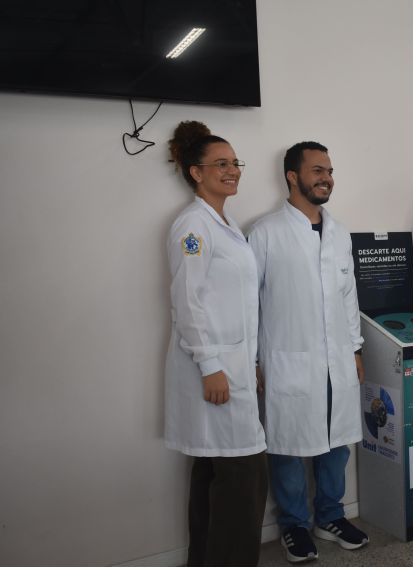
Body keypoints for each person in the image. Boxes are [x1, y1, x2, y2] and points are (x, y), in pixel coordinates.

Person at [248, 141, 368, 563]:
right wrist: (253, 359)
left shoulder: (340, 233)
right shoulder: (265, 232)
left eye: (329, 171)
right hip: (287, 359)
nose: (326, 178)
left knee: (337, 443)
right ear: (292, 176)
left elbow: (348, 296)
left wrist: (355, 348)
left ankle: (330, 516)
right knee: (287, 443)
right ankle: (294, 525)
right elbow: (248, 301)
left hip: (338, 359)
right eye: (317, 170)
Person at [164, 120, 267, 567]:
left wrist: (250, 361)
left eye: (234, 162)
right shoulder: (193, 226)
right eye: (220, 164)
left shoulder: (225, 223)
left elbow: (235, 304)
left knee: (213, 474)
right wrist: (210, 366)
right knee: (242, 480)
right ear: (196, 172)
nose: (232, 170)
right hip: (215, 371)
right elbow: (187, 302)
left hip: (234, 366)